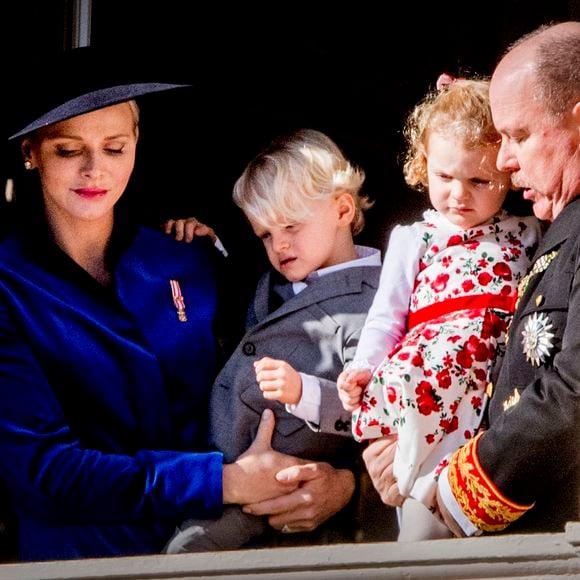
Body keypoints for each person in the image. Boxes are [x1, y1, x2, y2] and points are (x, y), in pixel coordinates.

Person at [0, 47, 356, 562]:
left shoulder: (190, 260)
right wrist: (223, 482)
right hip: (82, 563)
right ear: (31, 151)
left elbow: (301, 371)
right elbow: (42, 471)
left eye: (115, 148)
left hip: (232, 556)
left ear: (137, 142)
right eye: (67, 150)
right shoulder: (9, 284)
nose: (94, 169)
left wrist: (340, 482)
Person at [363, 20, 580, 537]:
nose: (504, 160)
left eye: (519, 135)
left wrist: (458, 487)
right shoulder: (560, 225)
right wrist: (410, 443)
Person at [336, 74, 542, 541]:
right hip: (428, 388)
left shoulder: (528, 233)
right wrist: (363, 367)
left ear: (508, 172)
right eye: (444, 176)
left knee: (477, 507)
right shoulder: (414, 238)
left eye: (478, 180)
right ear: (423, 165)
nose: (458, 194)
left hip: (488, 386)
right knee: (420, 518)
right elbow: (386, 317)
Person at [163, 128, 382, 552]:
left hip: (281, 488)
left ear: (341, 209)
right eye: (264, 234)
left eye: (291, 226)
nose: (279, 244)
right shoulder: (275, 279)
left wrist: (306, 393)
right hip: (216, 467)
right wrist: (205, 247)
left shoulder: (375, 302)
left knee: (185, 555)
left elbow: (373, 406)